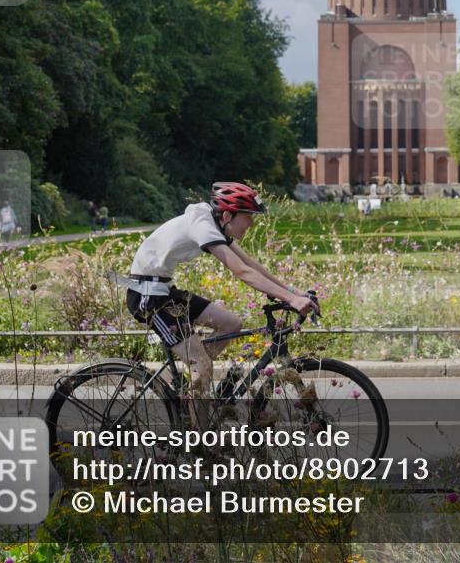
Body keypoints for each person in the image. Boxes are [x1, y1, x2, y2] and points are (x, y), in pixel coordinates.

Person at [123, 182, 318, 425]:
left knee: (231, 324)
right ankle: (202, 447)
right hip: (147, 296)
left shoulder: (216, 224)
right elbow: (241, 272)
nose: (252, 224)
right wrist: (291, 300)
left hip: (164, 290)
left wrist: (292, 292)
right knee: (202, 364)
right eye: (248, 218)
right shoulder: (203, 226)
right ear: (228, 215)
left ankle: (194, 381)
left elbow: (251, 265)